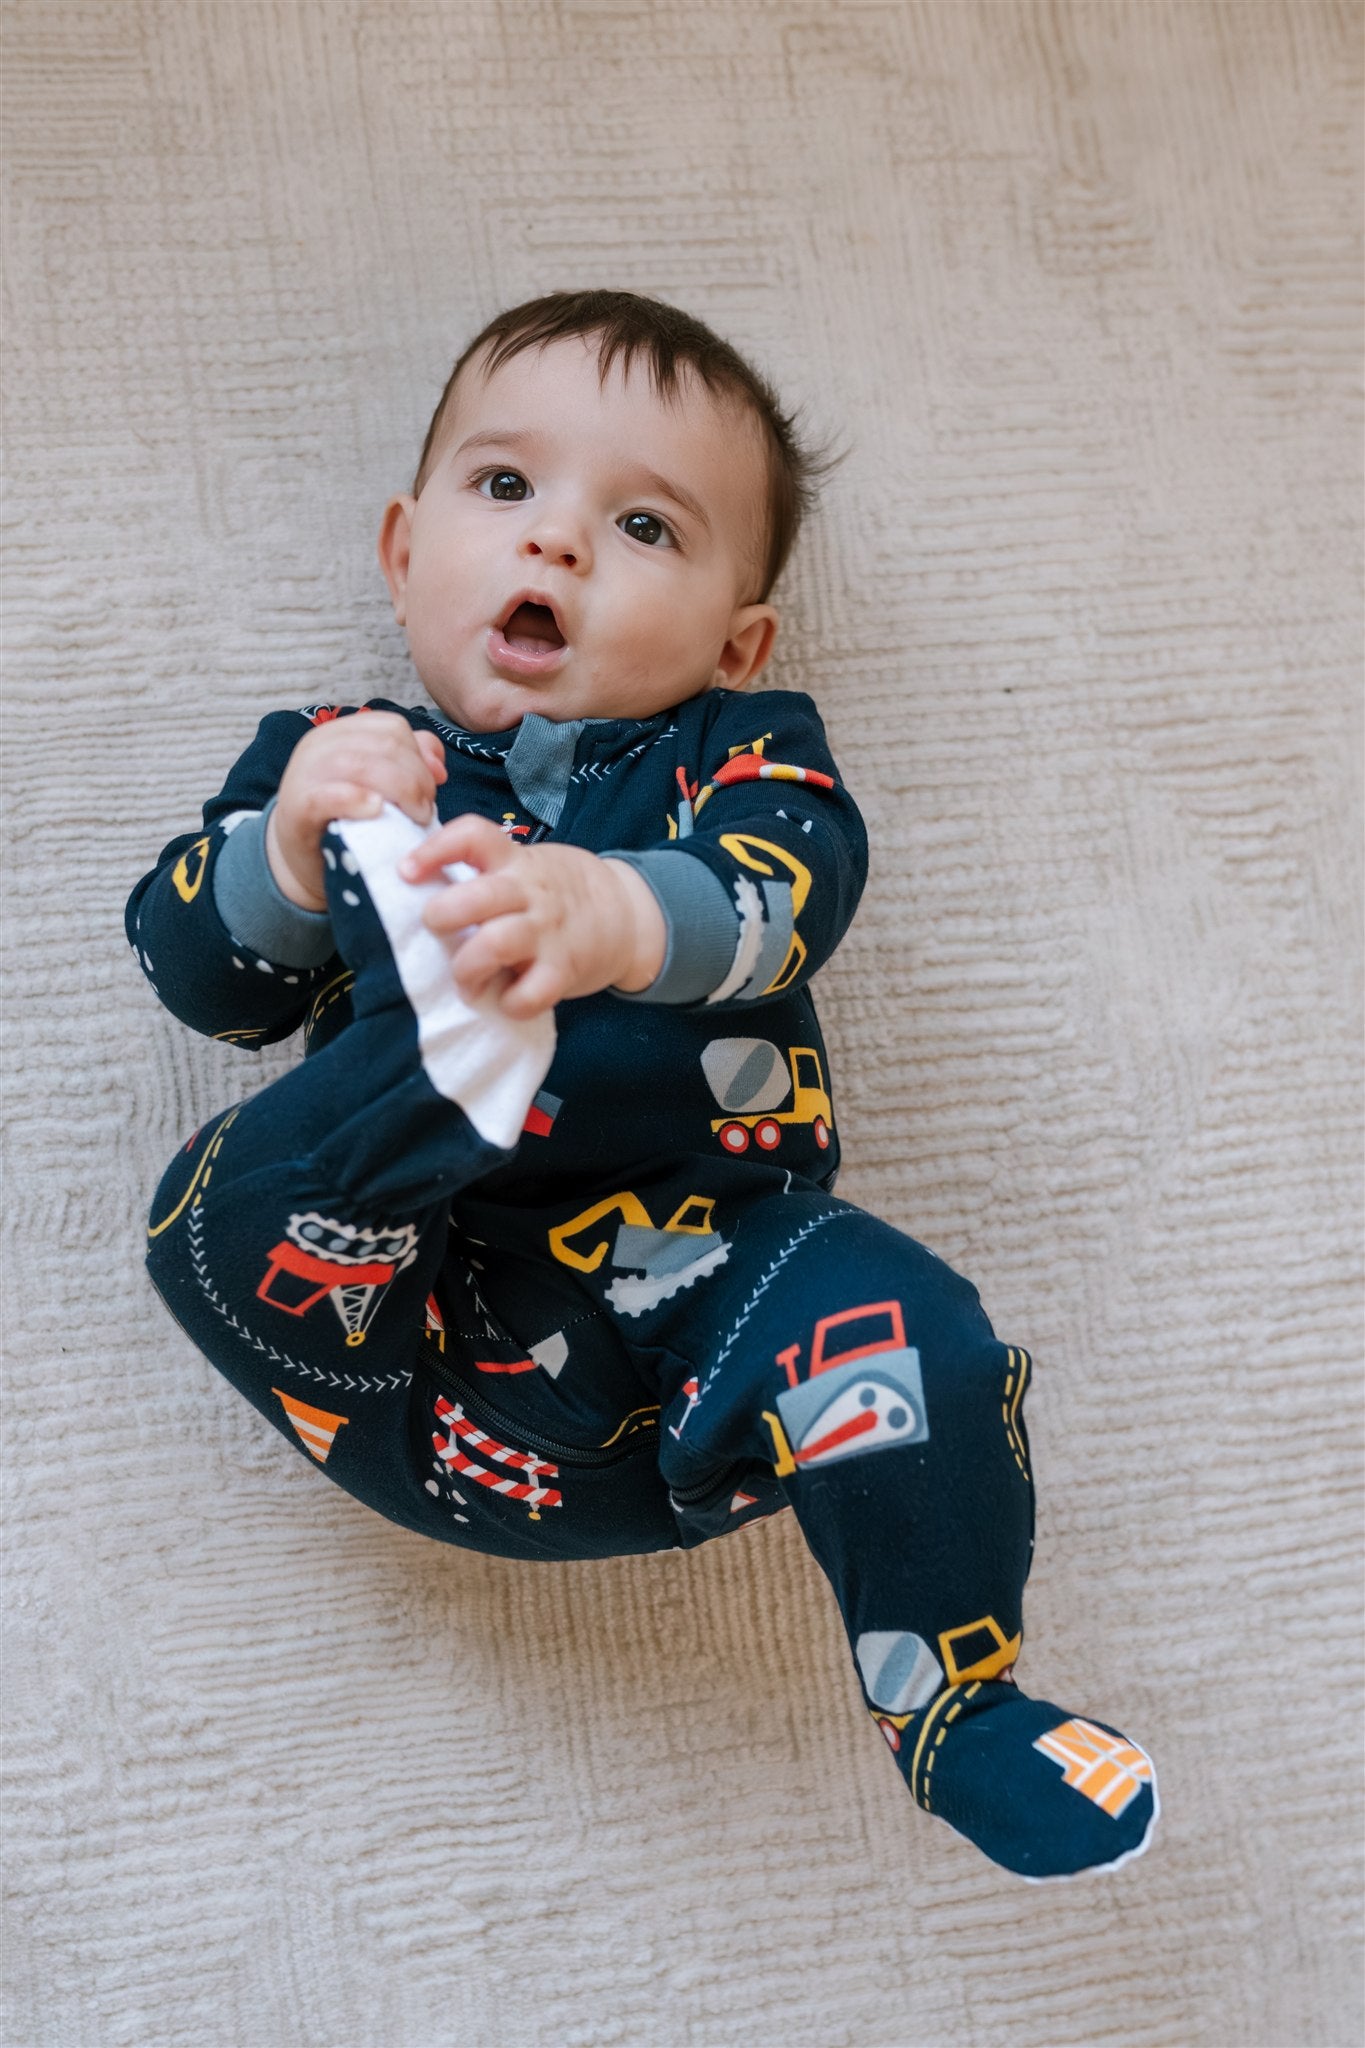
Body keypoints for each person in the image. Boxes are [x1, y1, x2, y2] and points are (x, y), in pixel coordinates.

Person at [127, 289, 1158, 1880]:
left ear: (734, 638)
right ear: (403, 554)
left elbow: (792, 885)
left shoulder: (736, 755)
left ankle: (956, 1698)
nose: (556, 547)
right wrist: (282, 849)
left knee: (917, 1325)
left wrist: (609, 911)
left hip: (704, 1328)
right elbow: (202, 976)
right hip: (396, 1328)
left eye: (644, 526)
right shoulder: (338, 756)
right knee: (216, 1204)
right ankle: (436, 1086)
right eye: (503, 490)